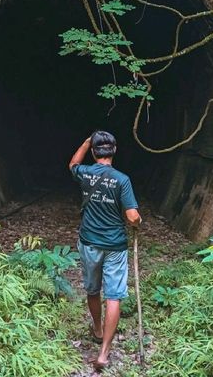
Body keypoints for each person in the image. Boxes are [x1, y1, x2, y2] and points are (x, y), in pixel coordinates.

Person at [68, 130, 142, 372]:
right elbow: (132, 216)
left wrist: (86, 140)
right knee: (114, 296)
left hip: (89, 241)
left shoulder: (85, 173)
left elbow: (73, 164)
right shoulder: (122, 180)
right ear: (115, 151)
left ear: (93, 151)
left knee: (92, 289)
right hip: (115, 246)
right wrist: (138, 222)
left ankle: (97, 329)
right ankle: (104, 352)